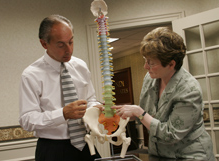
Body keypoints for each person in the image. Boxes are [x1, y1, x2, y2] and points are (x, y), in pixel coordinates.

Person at [112, 27, 215, 161]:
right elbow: (147, 115)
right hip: (158, 154)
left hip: (188, 155)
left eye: (151, 63)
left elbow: (171, 134)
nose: (145, 67)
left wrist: (139, 113)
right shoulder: (150, 78)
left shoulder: (189, 90)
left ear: (171, 64)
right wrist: (123, 112)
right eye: (145, 60)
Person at [19, 14, 101, 161]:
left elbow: (90, 99)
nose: (69, 49)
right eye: (61, 44)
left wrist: (97, 108)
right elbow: (27, 120)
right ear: (44, 44)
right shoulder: (31, 75)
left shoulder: (80, 66)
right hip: (52, 150)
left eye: (71, 42)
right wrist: (63, 114)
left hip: (85, 145)